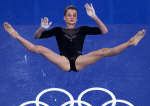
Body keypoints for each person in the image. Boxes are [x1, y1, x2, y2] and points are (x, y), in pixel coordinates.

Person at [4, 3, 146, 72]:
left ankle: (130, 42)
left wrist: (94, 16)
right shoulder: (58, 30)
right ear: (64, 17)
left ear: (77, 19)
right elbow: (36, 37)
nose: (71, 17)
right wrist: (42, 27)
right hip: (63, 61)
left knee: (103, 51)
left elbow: (104, 31)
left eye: (74, 15)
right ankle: (16, 36)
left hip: (79, 61)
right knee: (40, 48)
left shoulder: (82, 29)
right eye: (69, 15)